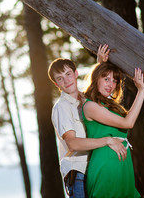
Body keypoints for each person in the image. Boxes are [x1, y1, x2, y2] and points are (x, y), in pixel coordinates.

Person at [48, 45, 128, 198]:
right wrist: (107, 140)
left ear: (76, 73)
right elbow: (72, 143)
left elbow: (98, 87)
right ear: (57, 84)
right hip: (78, 174)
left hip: (96, 169)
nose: (66, 80)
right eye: (60, 78)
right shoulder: (62, 107)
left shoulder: (86, 99)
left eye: (68, 74)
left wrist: (99, 64)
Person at [81, 46, 144, 198]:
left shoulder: (109, 106)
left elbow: (125, 119)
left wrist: (101, 65)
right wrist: (141, 90)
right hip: (106, 166)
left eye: (114, 80)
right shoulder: (90, 106)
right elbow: (128, 123)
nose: (111, 84)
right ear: (96, 78)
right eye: (106, 79)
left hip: (123, 165)